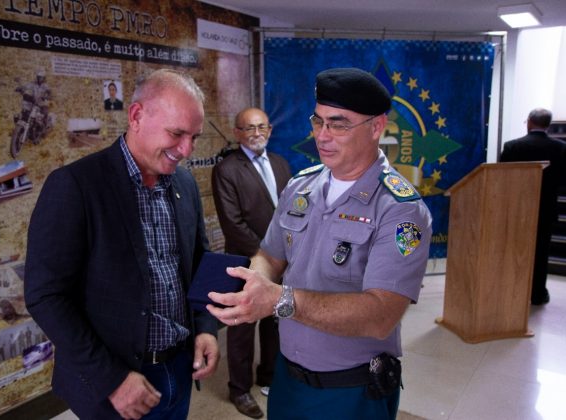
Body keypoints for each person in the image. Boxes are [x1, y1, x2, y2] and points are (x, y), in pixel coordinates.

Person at [206, 67, 432, 420]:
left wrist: (279, 300)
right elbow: (270, 254)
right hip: (287, 377)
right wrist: (255, 283)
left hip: (351, 389)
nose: (322, 136)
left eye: (338, 125)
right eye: (318, 121)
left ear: (376, 127)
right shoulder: (301, 186)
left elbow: (381, 315)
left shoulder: (401, 210)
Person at [25, 69, 220, 419]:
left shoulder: (185, 184)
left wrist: (205, 328)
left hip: (179, 366)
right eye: (177, 133)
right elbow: (45, 295)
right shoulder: (75, 185)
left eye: (194, 137)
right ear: (136, 116)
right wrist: (111, 378)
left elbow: (198, 261)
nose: (187, 150)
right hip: (114, 382)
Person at [211, 108, 291, 418]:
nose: (257, 133)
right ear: (237, 133)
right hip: (246, 261)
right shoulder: (226, 170)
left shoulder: (281, 163)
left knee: (275, 319)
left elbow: (291, 211)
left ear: (269, 129)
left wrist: (285, 253)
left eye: (261, 127)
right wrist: (267, 257)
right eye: (249, 128)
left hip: (282, 259)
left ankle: (268, 375)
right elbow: (233, 224)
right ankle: (239, 389)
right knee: (242, 326)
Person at [500, 108, 566, 305]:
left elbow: (501, 178)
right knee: (541, 251)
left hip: (517, 209)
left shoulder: (512, 147)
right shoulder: (560, 148)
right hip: (546, 208)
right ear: (548, 125)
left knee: (514, 250)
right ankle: (537, 293)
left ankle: (513, 291)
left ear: (529, 122)